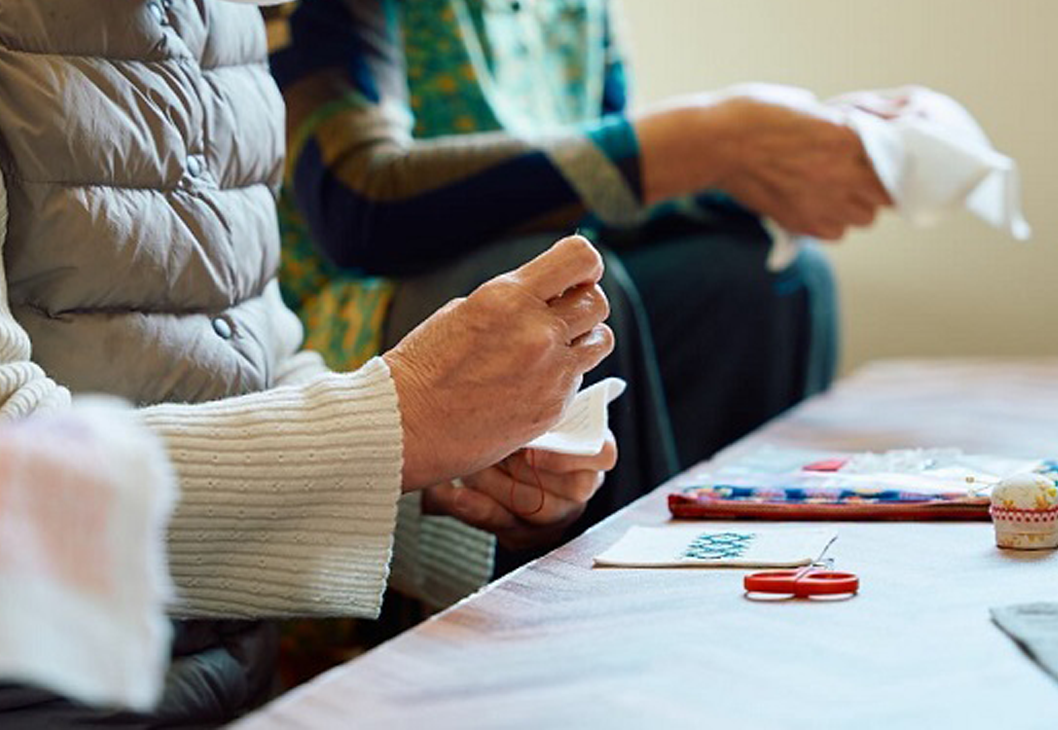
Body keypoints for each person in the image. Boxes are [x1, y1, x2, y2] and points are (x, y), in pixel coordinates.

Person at [0, 0, 615, 725]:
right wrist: (401, 423)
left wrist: (453, 474)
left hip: (241, 694)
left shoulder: (225, 23)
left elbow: (258, 363)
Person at [269, 0, 891, 536]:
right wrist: (710, 139)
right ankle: (601, 614)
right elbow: (360, 208)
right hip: (344, 330)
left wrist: (781, 155)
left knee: (766, 273)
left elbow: (607, 199)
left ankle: (745, 561)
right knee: (558, 294)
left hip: (519, 281)